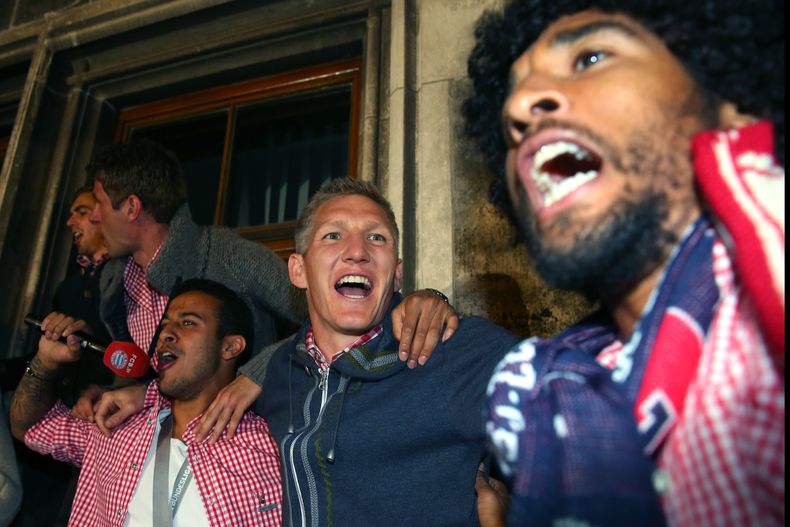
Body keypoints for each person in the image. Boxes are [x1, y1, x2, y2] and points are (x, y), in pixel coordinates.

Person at [463, 1, 784, 526]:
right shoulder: (542, 398)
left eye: (590, 58)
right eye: (510, 103)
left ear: (732, 105)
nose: (519, 105)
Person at [84, 139, 459, 408]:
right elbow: (143, 365)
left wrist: (258, 372)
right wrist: (113, 390)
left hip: (246, 441)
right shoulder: (116, 283)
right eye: (334, 236)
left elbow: (321, 316)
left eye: (98, 203)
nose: (94, 216)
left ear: (131, 207)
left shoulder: (229, 255)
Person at [9, 279, 283, 526]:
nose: (166, 334)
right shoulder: (115, 425)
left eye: (188, 323)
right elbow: (31, 427)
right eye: (164, 325)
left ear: (230, 347)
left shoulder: (271, 449)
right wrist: (46, 362)